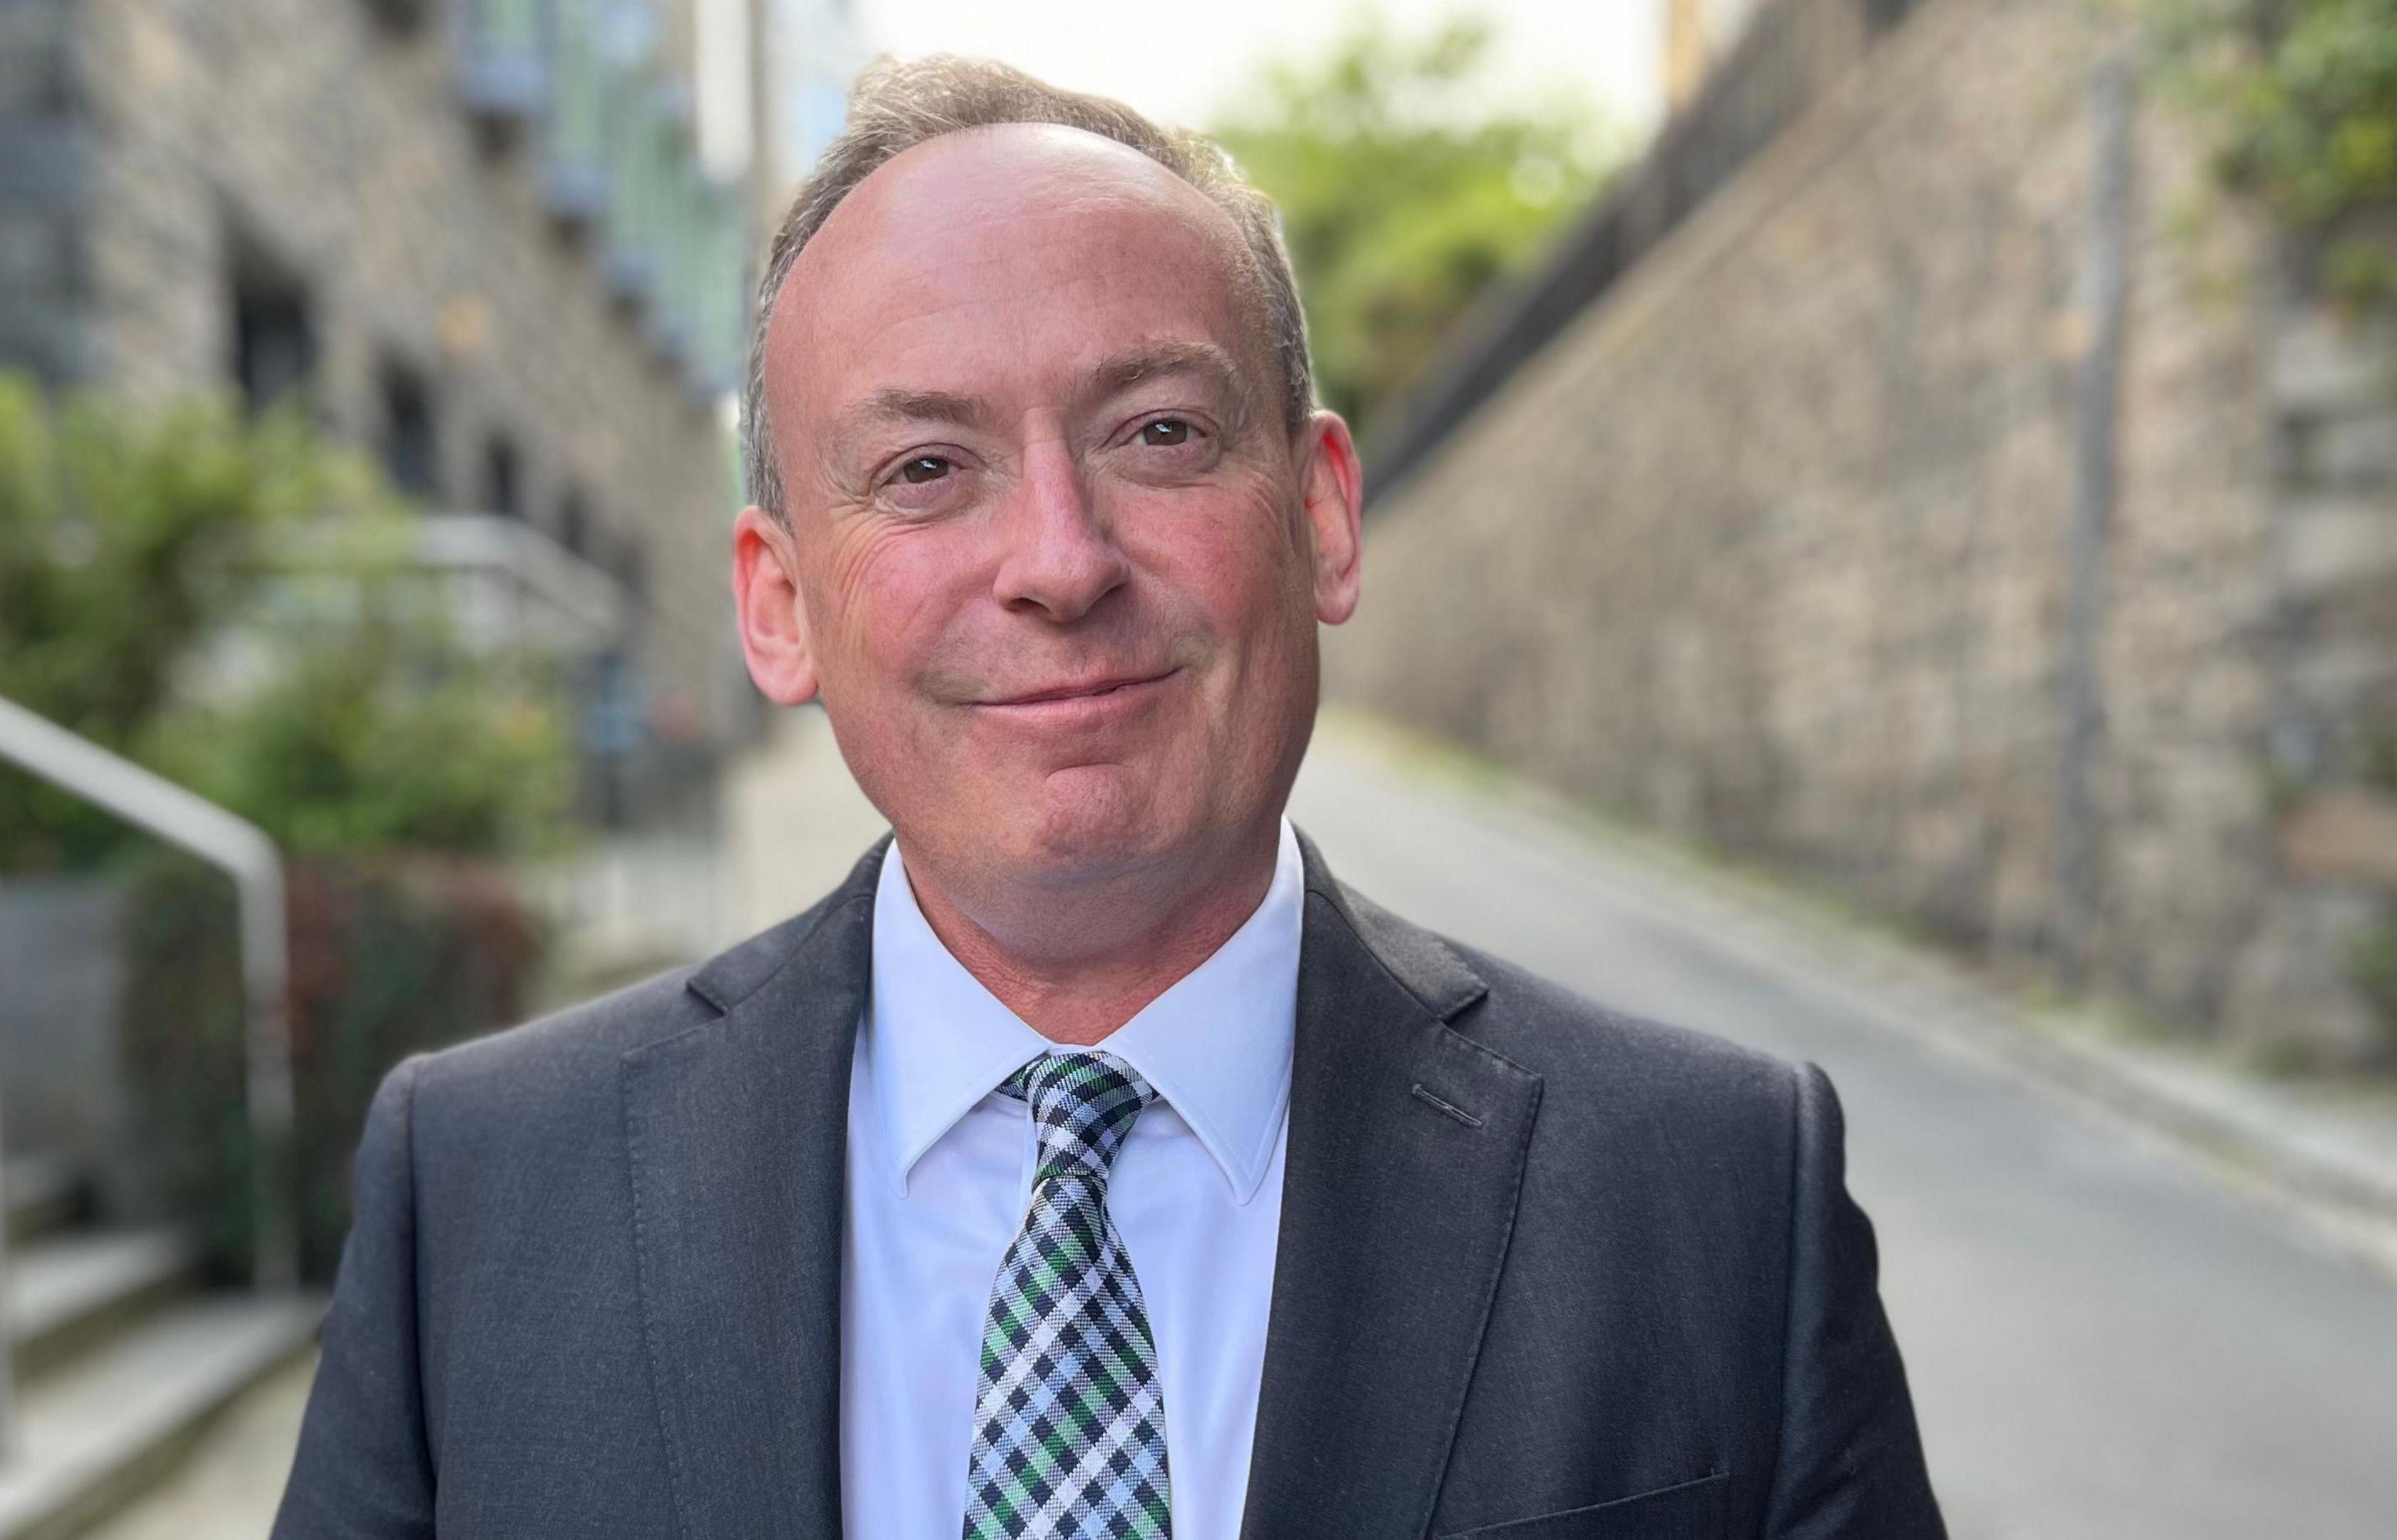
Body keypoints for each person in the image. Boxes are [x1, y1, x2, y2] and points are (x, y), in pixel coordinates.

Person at [271, 56, 1945, 1540]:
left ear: (1324, 517)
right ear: (778, 605)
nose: (1060, 564)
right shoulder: (479, 1194)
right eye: (927, 468)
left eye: (1155, 433)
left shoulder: (1715, 1193)